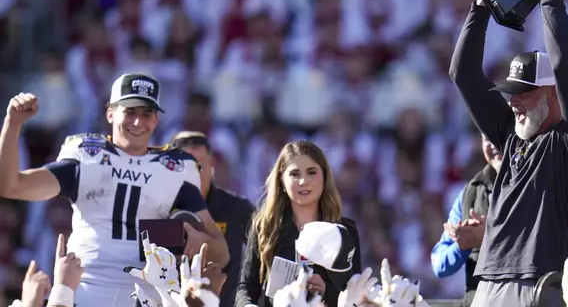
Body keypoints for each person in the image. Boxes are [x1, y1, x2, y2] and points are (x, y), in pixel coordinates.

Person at [448, 0, 568, 306]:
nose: (513, 102)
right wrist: (483, 4)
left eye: (524, 93)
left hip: (537, 283)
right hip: (487, 279)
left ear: (552, 94)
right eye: (511, 93)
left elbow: (565, 69)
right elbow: (463, 74)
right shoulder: (510, 132)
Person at [0, 73, 229, 306]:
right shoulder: (87, 155)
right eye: (130, 112)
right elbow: (11, 186)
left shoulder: (176, 167)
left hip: (146, 294)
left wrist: (197, 240)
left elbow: (222, 251)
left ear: (156, 120)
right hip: (86, 286)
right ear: (110, 112)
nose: (138, 122)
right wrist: (13, 123)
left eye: (146, 114)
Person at [236, 141, 361, 307]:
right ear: (281, 180)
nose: (303, 181)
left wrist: (326, 292)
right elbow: (246, 288)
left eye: (311, 172)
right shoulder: (264, 228)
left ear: (324, 177)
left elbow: (356, 293)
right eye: (294, 174)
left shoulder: (344, 230)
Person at [170, 131, 256, 307]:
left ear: (212, 163)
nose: (194, 174)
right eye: (185, 166)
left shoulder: (237, 209)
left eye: (199, 165)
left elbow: (266, 252)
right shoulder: (158, 208)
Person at [431, 134, 502, 306]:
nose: (493, 144)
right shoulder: (470, 193)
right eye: (487, 138)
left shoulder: (538, 187)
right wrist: (462, 246)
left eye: (501, 136)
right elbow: (439, 263)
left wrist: (491, 236)